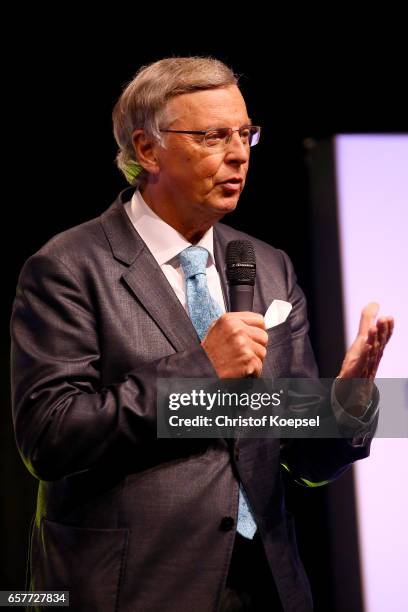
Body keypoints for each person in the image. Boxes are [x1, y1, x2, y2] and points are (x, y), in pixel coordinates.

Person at [10, 57, 393, 612]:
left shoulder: (267, 265)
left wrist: (345, 404)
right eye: (213, 136)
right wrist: (200, 369)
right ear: (147, 150)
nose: (239, 153)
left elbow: (301, 458)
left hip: (266, 585)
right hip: (133, 588)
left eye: (245, 133)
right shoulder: (69, 267)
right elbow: (49, 436)